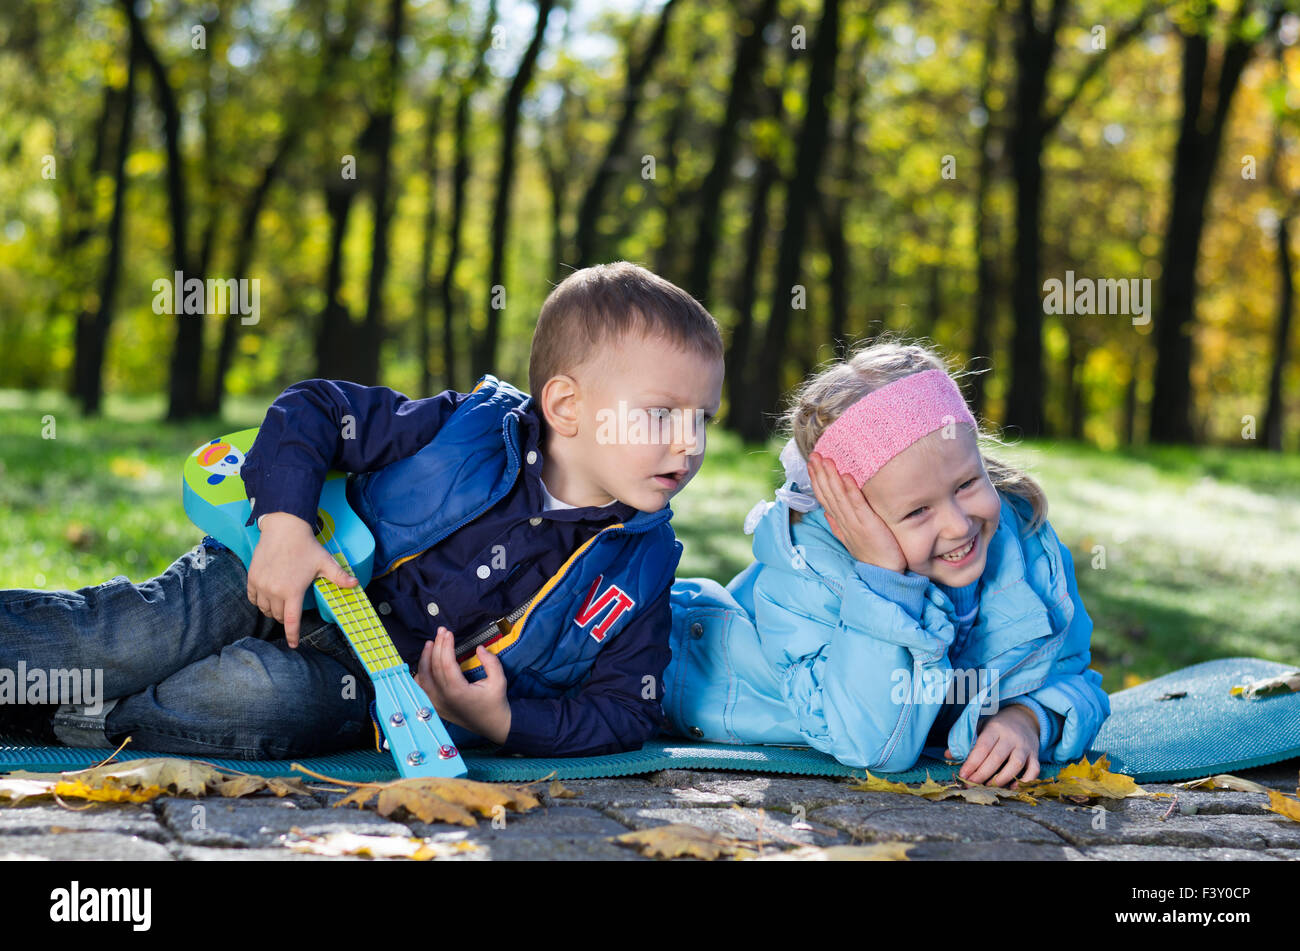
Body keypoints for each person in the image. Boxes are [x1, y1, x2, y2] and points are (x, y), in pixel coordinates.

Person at [1, 262, 724, 760]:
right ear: (566, 405)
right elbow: (314, 407)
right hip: (280, 567)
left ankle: (77, 718)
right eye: (662, 415)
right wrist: (283, 524)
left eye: (704, 419)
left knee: (256, 701)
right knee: (129, 636)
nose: (687, 444)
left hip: (371, 685)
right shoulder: (465, 426)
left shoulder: (642, 566)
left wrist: (501, 719)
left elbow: (628, 709)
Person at [662, 339, 1109, 788]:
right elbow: (873, 748)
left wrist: (1028, 718)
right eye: (918, 512)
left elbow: (1074, 676)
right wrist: (882, 581)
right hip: (691, 673)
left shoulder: (1027, 549)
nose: (958, 525)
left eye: (968, 483)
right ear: (850, 524)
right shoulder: (808, 573)